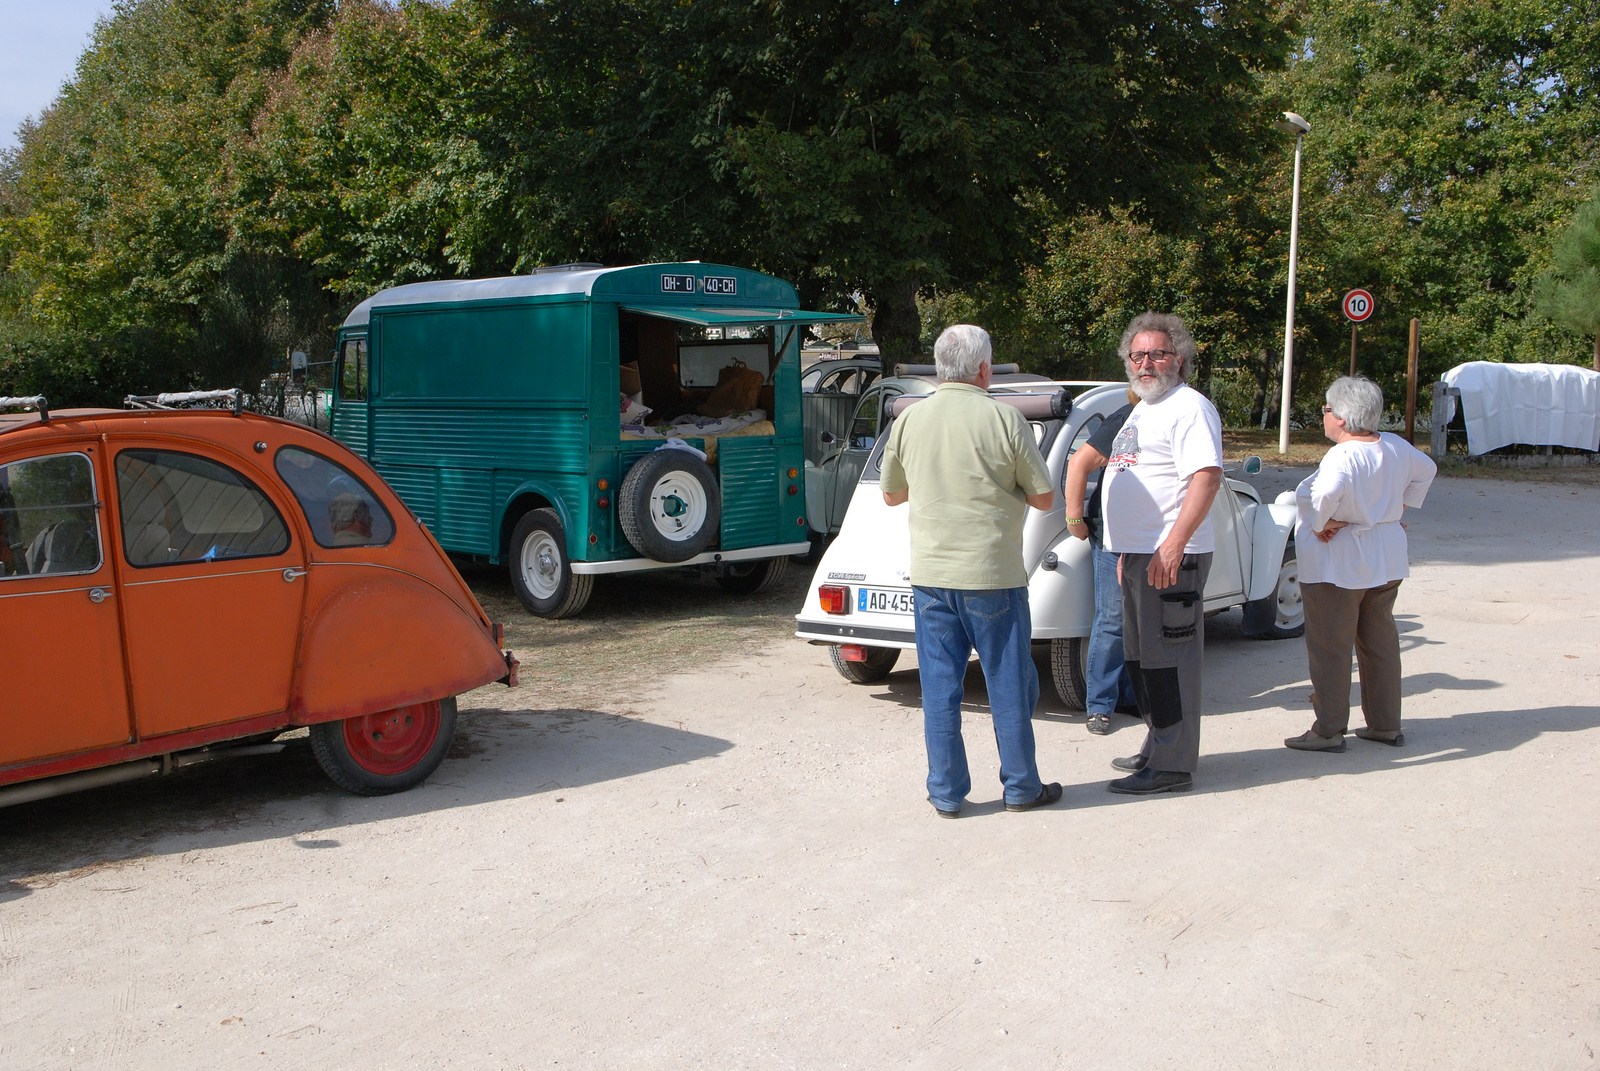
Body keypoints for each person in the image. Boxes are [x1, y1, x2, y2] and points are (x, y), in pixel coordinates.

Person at [879, 324, 1061, 819]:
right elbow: (1044, 496)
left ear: (940, 367)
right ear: (984, 368)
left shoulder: (909, 421)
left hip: (932, 575)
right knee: (1007, 683)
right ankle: (1021, 787)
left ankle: (946, 793)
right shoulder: (1005, 418)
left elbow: (892, 494)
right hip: (992, 574)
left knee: (940, 688)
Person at [1098, 312, 1223, 795]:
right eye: (1138, 354)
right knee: (1142, 658)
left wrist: (1172, 544)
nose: (1146, 362)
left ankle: (1173, 764)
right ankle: (1158, 744)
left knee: (1169, 662)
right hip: (1138, 555)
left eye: (1158, 354)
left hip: (1172, 556)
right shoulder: (1144, 407)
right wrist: (1127, 550)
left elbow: (1205, 478)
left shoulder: (1189, 407)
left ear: (1180, 360)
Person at [1284, 376, 1436, 752]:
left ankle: (1328, 729)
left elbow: (1326, 494)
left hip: (1340, 562)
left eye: (1325, 409)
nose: (1324, 416)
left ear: (1339, 416)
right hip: (1385, 557)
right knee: (1379, 641)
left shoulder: (1343, 454)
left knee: (1331, 647)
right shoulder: (1396, 446)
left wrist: (1323, 523)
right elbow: (1427, 469)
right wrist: (1398, 508)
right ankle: (1385, 723)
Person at [1061, 390, 1141, 734]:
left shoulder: (1172, 418)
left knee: (1137, 619)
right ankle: (1100, 705)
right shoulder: (1126, 419)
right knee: (1112, 618)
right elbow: (1080, 462)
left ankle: (1128, 696)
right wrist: (1075, 517)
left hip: (1151, 535)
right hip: (1114, 533)